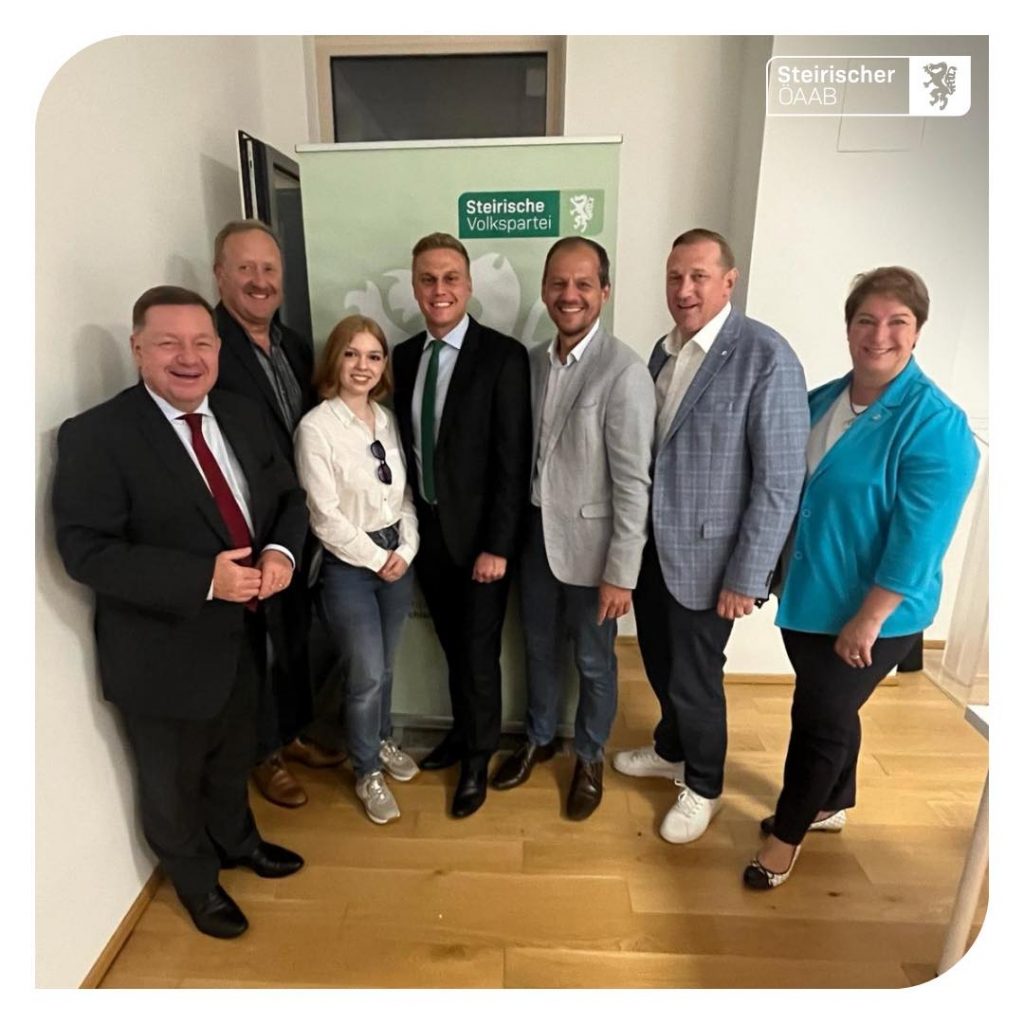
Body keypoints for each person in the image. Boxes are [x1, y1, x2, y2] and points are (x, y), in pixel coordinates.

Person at [52, 286, 308, 939]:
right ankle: (197, 883)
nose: (188, 357)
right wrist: (203, 580)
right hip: (159, 653)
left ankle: (239, 843)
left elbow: (288, 498)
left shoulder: (244, 414)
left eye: (201, 342)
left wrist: (280, 552)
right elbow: (86, 550)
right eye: (168, 343)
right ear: (138, 349)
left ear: (218, 349)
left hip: (244, 634)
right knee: (171, 782)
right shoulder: (97, 436)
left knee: (232, 757)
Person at [745, 267, 979, 889]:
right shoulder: (821, 400)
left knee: (818, 719)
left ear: (917, 331)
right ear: (848, 328)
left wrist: (869, 617)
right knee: (833, 706)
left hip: (874, 614)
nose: (879, 335)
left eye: (897, 322)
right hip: (807, 597)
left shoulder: (936, 423)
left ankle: (786, 837)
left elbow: (920, 539)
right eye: (866, 321)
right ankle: (830, 802)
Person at [615, 229, 809, 844]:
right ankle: (671, 748)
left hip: (711, 560)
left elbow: (780, 480)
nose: (684, 289)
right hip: (653, 548)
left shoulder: (766, 356)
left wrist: (748, 576)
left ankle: (704, 784)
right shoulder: (664, 350)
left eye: (699, 276)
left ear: (729, 281)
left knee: (694, 676)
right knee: (658, 658)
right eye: (675, 276)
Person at [490, 237, 656, 819]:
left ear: (604, 292)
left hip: (594, 551)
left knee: (593, 660)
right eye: (559, 283)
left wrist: (622, 573)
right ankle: (538, 738)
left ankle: (589, 755)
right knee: (537, 650)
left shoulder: (625, 371)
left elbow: (634, 483)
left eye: (583, 284)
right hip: (535, 540)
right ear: (544, 290)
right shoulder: (531, 363)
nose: (570, 295)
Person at [391, 232, 532, 818]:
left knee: (477, 654)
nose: (439, 289)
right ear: (415, 287)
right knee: (452, 646)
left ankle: (477, 757)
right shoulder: (402, 358)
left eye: (450, 278)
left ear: (469, 286)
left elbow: (512, 458)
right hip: (426, 537)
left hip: (481, 545)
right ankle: (460, 733)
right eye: (428, 279)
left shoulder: (502, 356)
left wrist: (498, 545)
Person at [212, 219, 341, 809]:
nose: (259, 281)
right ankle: (263, 752)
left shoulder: (294, 344)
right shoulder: (211, 347)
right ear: (220, 275)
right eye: (245, 268)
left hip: (300, 516)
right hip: (247, 521)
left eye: (269, 269)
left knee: (294, 635)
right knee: (256, 645)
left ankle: (292, 733)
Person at [294, 316, 420, 825]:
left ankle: (383, 739)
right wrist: (376, 558)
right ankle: (366, 768)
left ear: (383, 365)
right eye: (351, 354)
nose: (362, 366)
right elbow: (324, 516)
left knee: (386, 665)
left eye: (373, 356)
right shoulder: (316, 428)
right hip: (349, 565)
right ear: (335, 360)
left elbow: (403, 496)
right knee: (365, 673)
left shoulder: (386, 420)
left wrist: (406, 549)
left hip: (397, 556)